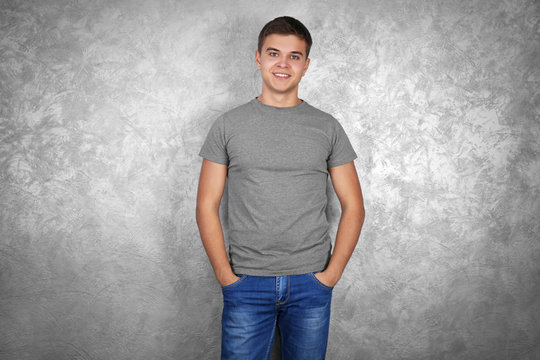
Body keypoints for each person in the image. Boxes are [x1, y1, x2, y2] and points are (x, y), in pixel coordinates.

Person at [196, 16, 365, 360]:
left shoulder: (327, 127)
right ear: (258, 57)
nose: (283, 64)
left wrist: (329, 277)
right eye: (274, 53)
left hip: (310, 282)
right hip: (245, 281)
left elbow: (354, 207)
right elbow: (206, 206)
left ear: (306, 65)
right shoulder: (228, 125)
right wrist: (226, 277)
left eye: (294, 56)